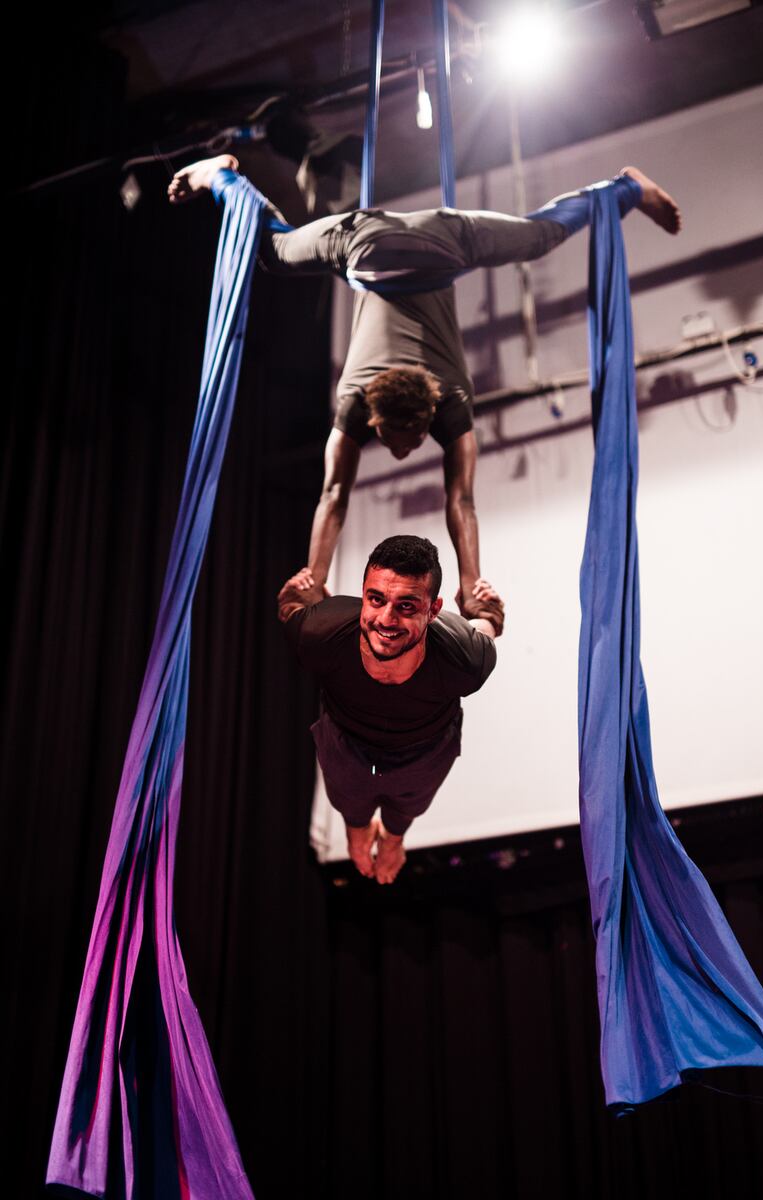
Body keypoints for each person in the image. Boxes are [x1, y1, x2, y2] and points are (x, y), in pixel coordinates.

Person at [169, 155, 680, 631]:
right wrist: (468, 585)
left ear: (426, 412)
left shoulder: (444, 397)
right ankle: (623, 189)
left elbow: (341, 494)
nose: (401, 452)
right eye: (401, 442)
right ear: (376, 416)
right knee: (539, 234)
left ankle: (222, 176)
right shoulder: (367, 400)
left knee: (277, 251)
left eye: (406, 442)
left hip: (412, 243)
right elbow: (453, 498)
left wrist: (317, 576)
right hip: (384, 244)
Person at [277, 535, 500, 883]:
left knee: (403, 815)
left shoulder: (466, 658)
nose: (386, 619)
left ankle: (393, 840)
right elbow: (291, 609)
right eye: (376, 599)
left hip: (425, 749)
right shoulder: (319, 631)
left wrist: (490, 612)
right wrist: (293, 595)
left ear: (433, 610)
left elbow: (485, 625)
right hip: (346, 740)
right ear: (363, 594)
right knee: (351, 812)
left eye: (407, 606)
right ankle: (358, 832)